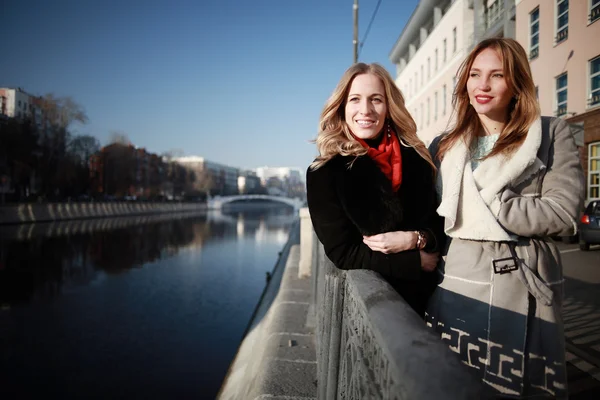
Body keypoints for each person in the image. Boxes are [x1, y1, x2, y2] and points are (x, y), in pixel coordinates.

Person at [426, 38, 584, 398]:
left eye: (496, 75)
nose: (482, 86)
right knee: (460, 386)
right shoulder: (445, 145)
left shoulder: (548, 132)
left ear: (516, 84)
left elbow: (563, 213)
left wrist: (492, 204)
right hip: (460, 282)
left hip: (526, 282)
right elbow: (430, 218)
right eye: (475, 75)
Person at [306, 63, 444, 316]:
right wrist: (414, 261)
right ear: (342, 107)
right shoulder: (326, 170)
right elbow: (342, 252)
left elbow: (439, 221)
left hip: (430, 302)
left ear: (389, 107)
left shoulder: (418, 158)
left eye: (376, 99)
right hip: (371, 312)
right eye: (355, 99)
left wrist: (415, 238)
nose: (365, 110)